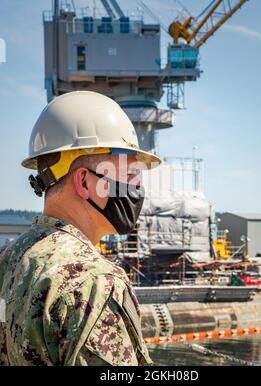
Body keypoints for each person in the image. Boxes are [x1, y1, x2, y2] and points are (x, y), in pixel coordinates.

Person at [0, 91, 161, 366]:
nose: (136, 188)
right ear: (85, 183)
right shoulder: (94, 281)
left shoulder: (11, 259)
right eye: (128, 173)